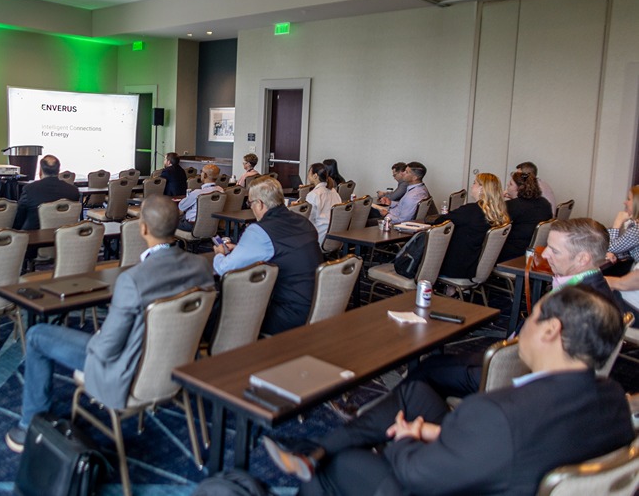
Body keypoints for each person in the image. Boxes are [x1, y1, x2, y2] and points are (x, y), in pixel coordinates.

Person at [264, 285, 633, 496]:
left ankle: (319, 462)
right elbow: (513, 447)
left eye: (532, 317)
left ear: (551, 331)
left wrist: (406, 439)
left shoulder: (499, 415)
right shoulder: (614, 397)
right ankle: (316, 449)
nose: (525, 327)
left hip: (455, 481)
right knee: (415, 392)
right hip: (498, 459)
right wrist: (431, 430)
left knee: (341, 466)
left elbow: (417, 474)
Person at [5, 195, 214, 453]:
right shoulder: (201, 266)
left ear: (143, 228)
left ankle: (29, 424)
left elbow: (106, 349)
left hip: (127, 370)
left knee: (37, 335)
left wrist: (100, 335)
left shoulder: (133, 280)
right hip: (177, 363)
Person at [398, 217, 625, 401]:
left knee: (425, 371)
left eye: (554, 251)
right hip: (510, 358)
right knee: (437, 362)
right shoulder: (594, 286)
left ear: (583, 258)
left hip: (512, 375)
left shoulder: (581, 306)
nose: (544, 254)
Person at [213, 177, 323, 334]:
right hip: (317, 307)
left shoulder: (260, 231)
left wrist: (219, 254)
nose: (251, 207)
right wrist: (242, 249)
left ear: (260, 204)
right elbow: (283, 251)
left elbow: (224, 269)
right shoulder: (304, 222)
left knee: (223, 309)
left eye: (250, 203)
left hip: (288, 314)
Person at [430, 173, 508, 279]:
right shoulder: (498, 213)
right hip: (474, 264)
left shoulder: (470, 211)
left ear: (482, 189)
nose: (472, 186)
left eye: (474, 183)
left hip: (457, 267)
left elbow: (439, 222)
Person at [12, 155, 80, 231]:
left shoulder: (29, 189)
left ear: (40, 171)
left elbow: (20, 217)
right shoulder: (73, 191)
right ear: (58, 170)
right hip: (65, 234)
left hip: (34, 234)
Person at [497, 171, 553, 262]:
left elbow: (495, 224)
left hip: (513, 254)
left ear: (519, 188)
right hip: (534, 251)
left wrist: (500, 200)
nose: (507, 185)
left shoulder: (513, 206)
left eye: (510, 184)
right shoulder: (544, 203)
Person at [303, 162, 344, 245]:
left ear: (315, 176)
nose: (307, 176)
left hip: (319, 236)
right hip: (335, 237)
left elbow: (308, 220)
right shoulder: (334, 191)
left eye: (309, 173)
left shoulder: (314, 194)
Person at [177, 163, 224, 231]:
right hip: (212, 225)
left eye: (201, 171)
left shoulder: (197, 193)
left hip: (192, 225)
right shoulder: (221, 190)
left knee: (167, 221)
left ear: (205, 175)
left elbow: (181, 207)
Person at [605, 185, 639, 264]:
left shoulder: (636, 231)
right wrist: (613, 254)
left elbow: (607, 247)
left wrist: (617, 223)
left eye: (629, 199)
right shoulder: (634, 226)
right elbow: (625, 248)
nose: (625, 202)